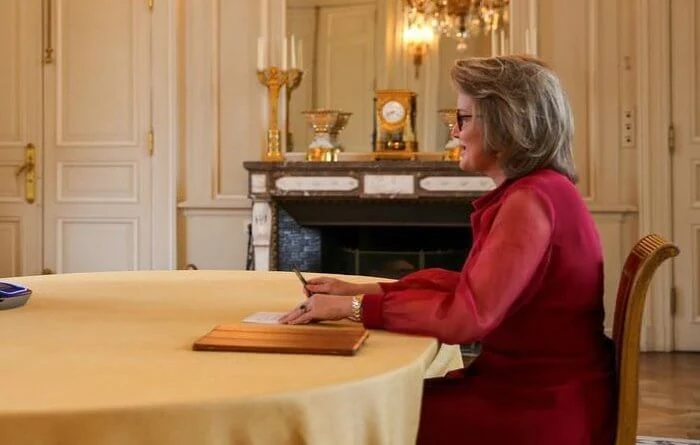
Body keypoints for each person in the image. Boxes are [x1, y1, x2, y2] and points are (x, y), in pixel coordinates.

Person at [279, 55, 616, 445]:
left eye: (464, 119)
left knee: (351, 416)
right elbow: (472, 289)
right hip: (542, 394)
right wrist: (363, 293)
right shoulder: (543, 191)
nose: (456, 133)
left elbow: (466, 317)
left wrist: (353, 310)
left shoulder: (531, 201)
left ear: (504, 122)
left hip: (535, 410)